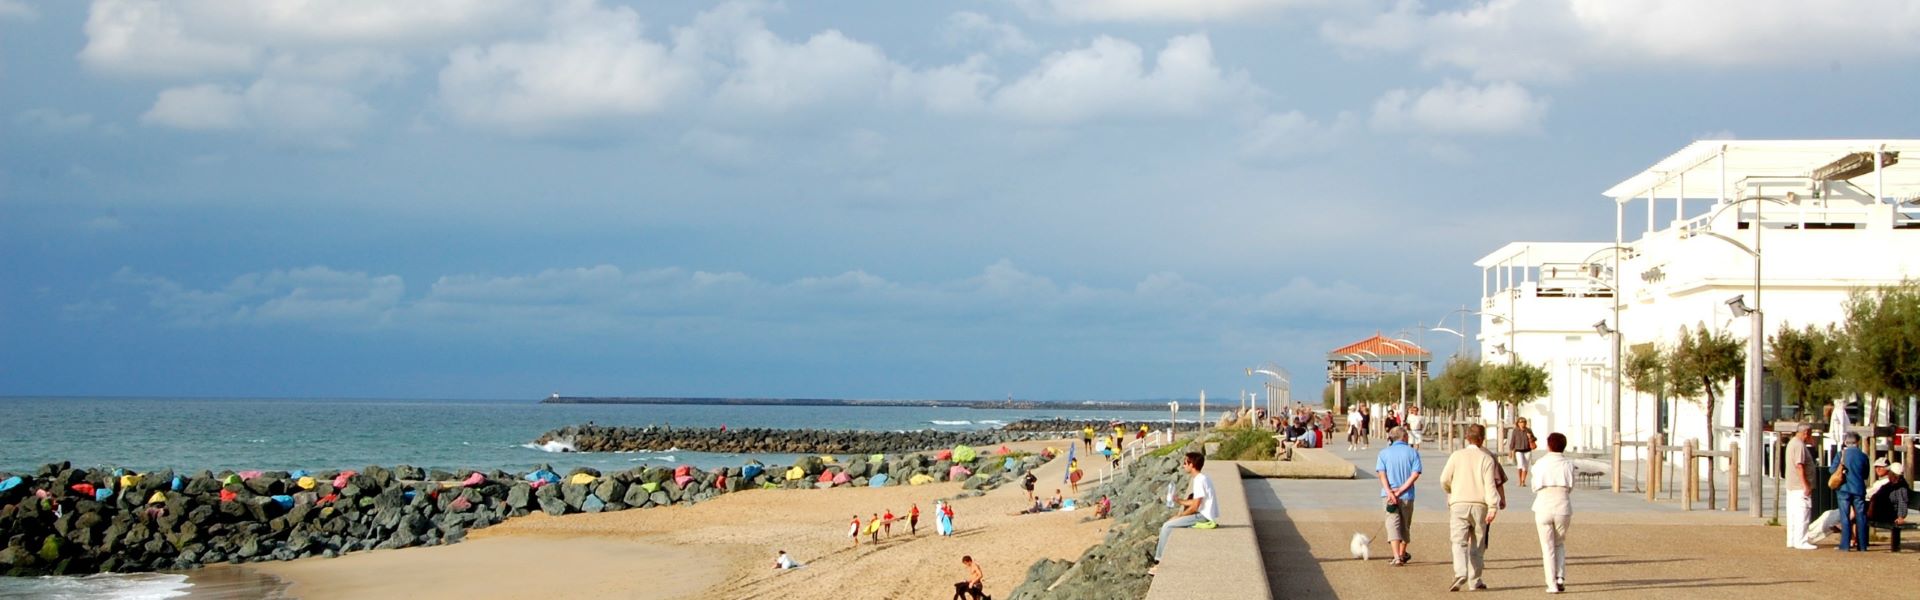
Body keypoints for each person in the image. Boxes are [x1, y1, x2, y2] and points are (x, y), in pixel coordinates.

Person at [1441, 424, 1501, 592]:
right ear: (1482, 439)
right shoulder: (1486, 458)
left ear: (1467, 438)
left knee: (1458, 540)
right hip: (1480, 504)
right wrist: (1493, 507)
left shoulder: (1456, 456)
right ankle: (1475, 580)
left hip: (1459, 502)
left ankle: (1460, 572)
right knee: (1478, 543)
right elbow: (1490, 485)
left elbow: (1444, 479)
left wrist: (1451, 491)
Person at [1149, 451, 1217, 576]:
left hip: (1203, 517)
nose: (1183, 465)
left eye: (1185, 463)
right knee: (1170, 524)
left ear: (1192, 465)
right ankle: (1160, 560)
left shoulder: (1199, 481)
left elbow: (1196, 506)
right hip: (1205, 513)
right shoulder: (1202, 478)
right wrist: (1180, 501)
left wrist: (1179, 516)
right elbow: (1197, 501)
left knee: (1167, 526)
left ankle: (1160, 562)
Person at [1530, 432, 1576, 593]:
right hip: (1562, 504)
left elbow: (1534, 486)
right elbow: (1570, 486)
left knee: (1547, 546)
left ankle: (1551, 583)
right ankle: (1560, 576)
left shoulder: (1540, 463)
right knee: (1559, 543)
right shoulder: (1568, 464)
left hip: (1543, 504)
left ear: (1548, 445)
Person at [1375, 425, 1423, 566]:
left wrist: (1390, 491)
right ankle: (1402, 554)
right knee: (1405, 525)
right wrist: (1401, 490)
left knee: (1392, 524)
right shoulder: (1413, 453)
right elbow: (1415, 474)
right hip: (1407, 495)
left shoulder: (1383, 453)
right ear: (1405, 437)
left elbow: (1381, 474)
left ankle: (1396, 556)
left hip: (1388, 496)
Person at [1834, 432, 1870, 552]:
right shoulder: (1863, 456)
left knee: (1845, 516)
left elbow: (1832, 470)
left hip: (1844, 489)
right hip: (1859, 489)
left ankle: (1845, 545)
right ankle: (1863, 545)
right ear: (1857, 442)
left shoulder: (1841, 455)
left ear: (1845, 442)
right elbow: (1865, 475)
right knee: (1861, 517)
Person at [1784, 423, 1818, 550]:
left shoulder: (1792, 443)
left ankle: (1792, 540)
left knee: (1793, 514)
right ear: (1806, 432)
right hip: (1799, 486)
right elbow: (1799, 465)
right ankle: (1801, 541)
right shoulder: (1799, 445)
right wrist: (1806, 485)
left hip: (1792, 485)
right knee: (1802, 513)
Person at [1510, 417, 1538, 486]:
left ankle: (1523, 481)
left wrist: (1530, 437)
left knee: (1525, 466)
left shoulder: (1528, 430)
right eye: (1520, 422)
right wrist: (1511, 450)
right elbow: (1512, 441)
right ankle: (1519, 480)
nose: (1522, 424)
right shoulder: (1515, 431)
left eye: (1524, 422)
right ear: (1518, 423)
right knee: (1520, 464)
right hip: (1518, 450)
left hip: (1527, 450)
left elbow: (1535, 438)